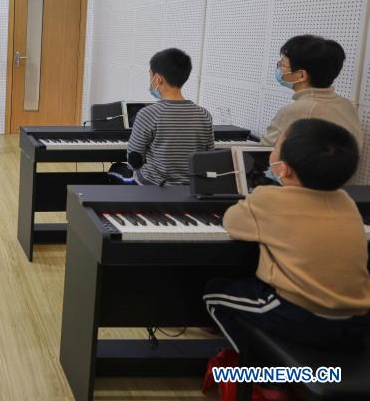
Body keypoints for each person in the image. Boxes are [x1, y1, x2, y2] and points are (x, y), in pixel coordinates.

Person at [204, 118, 370, 351]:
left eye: (277, 146)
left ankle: (263, 371)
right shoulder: (346, 202)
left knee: (214, 293)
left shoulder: (269, 198)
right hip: (357, 320)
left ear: (283, 167)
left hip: (299, 316)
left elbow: (231, 222)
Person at [126, 48, 214, 185]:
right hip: (192, 187)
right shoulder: (204, 114)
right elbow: (208, 157)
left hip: (155, 185)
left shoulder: (148, 114)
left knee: (117, 171)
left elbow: (134, 160)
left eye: (150, 75)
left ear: (158, 79)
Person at [262, 35, 362, 149]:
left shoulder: (297, 110)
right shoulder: (347, 105)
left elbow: (264, 152)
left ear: (301, 75)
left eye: (282, 64)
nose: (279, 68)